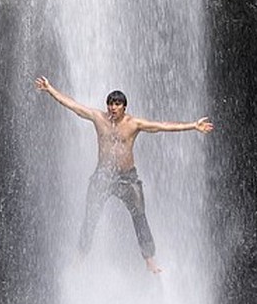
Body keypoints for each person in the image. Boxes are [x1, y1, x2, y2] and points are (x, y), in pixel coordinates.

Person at [34, 77, 214, 274]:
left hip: (127, 177)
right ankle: (80, 255)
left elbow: (163, 126)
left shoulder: (134, 124)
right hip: (103, 175)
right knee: (90, 217)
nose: (113, 107)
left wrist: (193, 126)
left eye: (117, 104)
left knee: (140, 217)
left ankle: (149, 259)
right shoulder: (98, 117)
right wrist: (50, 89)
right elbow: (73, 105)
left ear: (124, 107)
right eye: (110, 103)